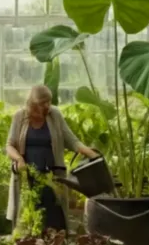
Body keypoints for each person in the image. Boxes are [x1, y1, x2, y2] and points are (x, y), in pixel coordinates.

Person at [5, 85, 98, 232]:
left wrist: (90, 153)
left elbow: (72, 140)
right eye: (43, 103)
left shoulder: (55, 115)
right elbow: (9, 145)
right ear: (33, 104)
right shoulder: (19, 117)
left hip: (52, 178)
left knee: (54, 221)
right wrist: (19, 159)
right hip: (28, 179)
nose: (47, 106)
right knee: (28, 221)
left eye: (49, 102)